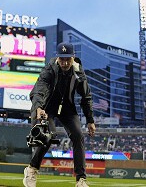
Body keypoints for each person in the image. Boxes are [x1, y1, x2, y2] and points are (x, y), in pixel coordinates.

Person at [24, 42, 96, 187]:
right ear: (57, 58)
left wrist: (90, 120)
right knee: (48, 136)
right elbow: (39, 90)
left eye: (67, 59)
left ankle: (81, 180)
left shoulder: (78, 72)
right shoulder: (49, 69)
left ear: (73, 57)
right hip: (46, 106)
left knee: (78, 136)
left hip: (66, 108)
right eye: (61, 59)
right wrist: (38, 108)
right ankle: (31, 169)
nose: (64, 63)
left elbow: (86, 97)